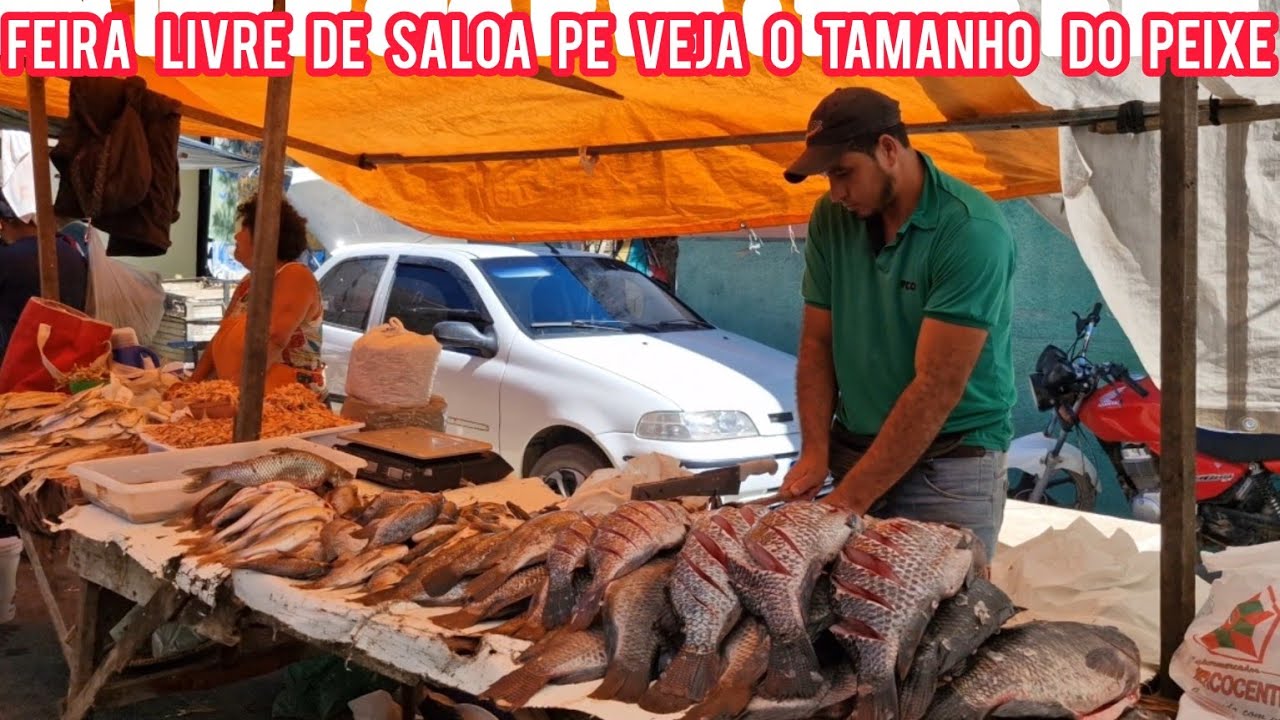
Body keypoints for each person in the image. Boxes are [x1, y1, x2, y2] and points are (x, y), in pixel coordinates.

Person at [777, 87, 1017, 560]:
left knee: (946, 603)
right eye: (828, 177)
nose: (836, 193)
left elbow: (937, 385)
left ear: (888, 149)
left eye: (844, 172)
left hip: (950, 465)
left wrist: (846, 501)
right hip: (853, 449)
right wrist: (815, 452)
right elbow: (818, 344)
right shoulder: (831, 218)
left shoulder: (971, 230)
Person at [190, 195, 325, 395]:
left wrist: (235, 389)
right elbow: (219, 340)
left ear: (264, 235)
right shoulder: (248, 282)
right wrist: (192, 386)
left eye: (244, 228)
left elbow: (275, 338)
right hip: (243, 393)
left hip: (288, 401)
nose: (236, 236)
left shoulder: (294, 274)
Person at [0, 196, 88, 362]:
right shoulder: (72, 252)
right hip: (70, 357)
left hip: (22, 361)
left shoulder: (7, 258)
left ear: (3, 223)